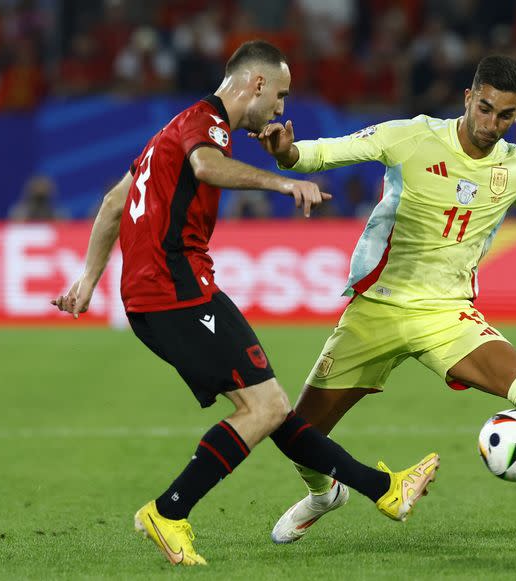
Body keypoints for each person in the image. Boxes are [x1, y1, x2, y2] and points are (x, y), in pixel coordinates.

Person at [51, 40, 438, 566]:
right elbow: (208, 167)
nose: (281, 108)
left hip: (166, 293)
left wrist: (88, 279)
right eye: (279, 95)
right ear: (256, 84)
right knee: (267, 406)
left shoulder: (170, 132)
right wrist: (284, 183)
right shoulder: (205, 124)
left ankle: (384, 490)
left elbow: (115, 201)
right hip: (176, 290)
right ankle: (167, 512)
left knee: (271, 407)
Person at [252, 54, 516, 544]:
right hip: (376, 308)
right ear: (468, 97)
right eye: (484, 108)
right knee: (298, 437)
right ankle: (324, 494)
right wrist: (287, 154)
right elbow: (331, 151)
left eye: (505, 116)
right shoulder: (412, 137)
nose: (491, 124)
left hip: (447, 314)